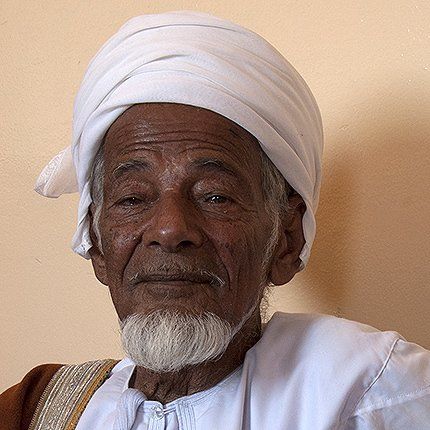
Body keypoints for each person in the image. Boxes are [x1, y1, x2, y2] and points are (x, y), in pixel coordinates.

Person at [1, 11, 429, 430]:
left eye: (215, 196)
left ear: (286, 239)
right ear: (95, 241)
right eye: (132, 198)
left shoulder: (370, 393)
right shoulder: (34, 410)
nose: (170, 229)